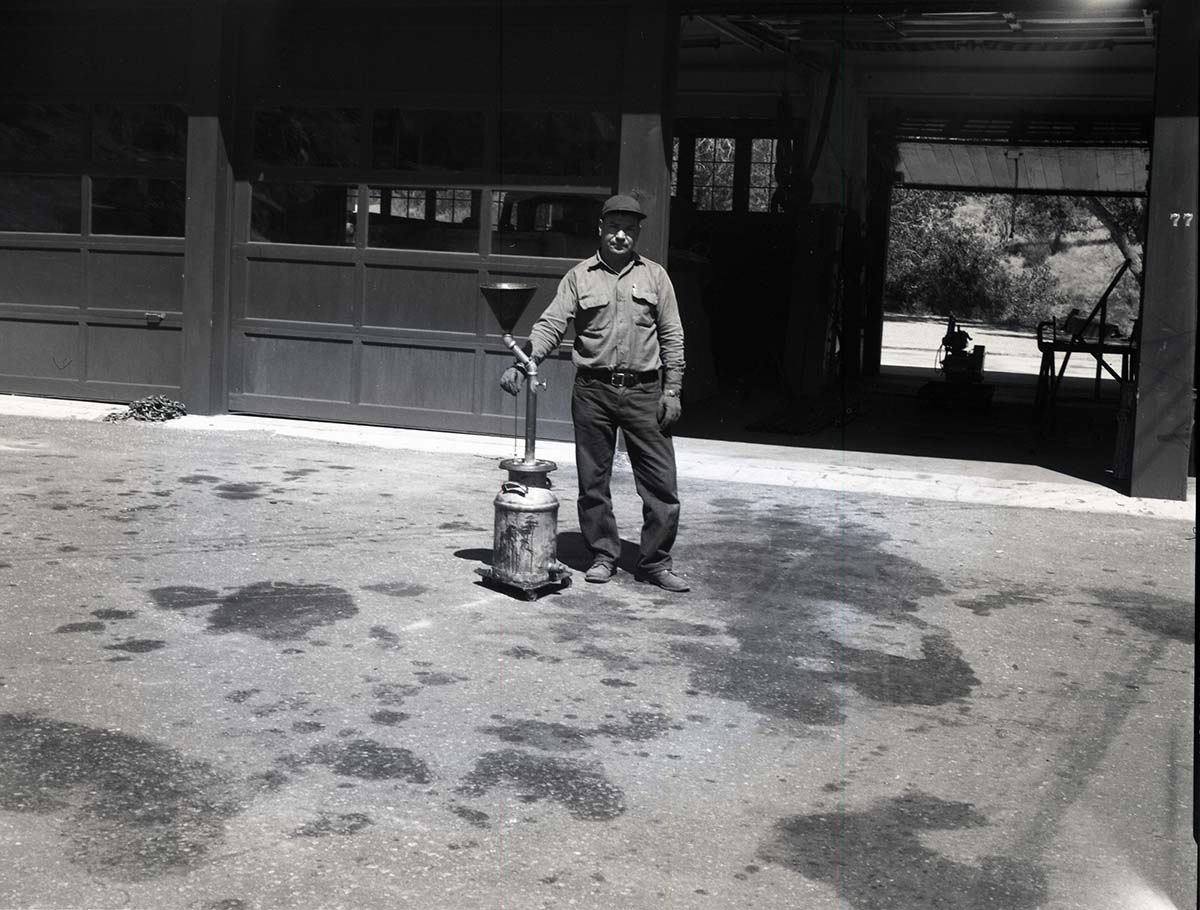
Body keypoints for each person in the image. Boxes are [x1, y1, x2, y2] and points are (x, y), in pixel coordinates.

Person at [500, 194, 689, 593]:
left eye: (630, 229)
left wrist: (672, 389)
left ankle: (655, 561)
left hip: (645, 392)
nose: (621, 235)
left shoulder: (656, 276)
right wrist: (523, 362)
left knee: (660, 484)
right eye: (614, 227)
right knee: (593, 482)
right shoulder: (578, 277)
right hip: (593, 392)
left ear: (637, 233)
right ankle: (604, 555)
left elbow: (672, 334)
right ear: (600, 229)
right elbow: (552, 325)